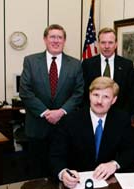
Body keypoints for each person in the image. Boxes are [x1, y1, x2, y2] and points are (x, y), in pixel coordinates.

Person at [19, 24, 84, 178]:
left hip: (65, 127)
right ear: (45, 39)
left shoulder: (75, 64)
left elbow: (78, 93)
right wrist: (46, 112)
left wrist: (61, 112)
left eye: (60, 37)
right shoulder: (31, 61)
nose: (56, 40)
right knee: (37, 174)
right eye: (52, 37)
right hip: (37, 127)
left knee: (63, 172)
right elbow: (25, 91)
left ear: (64, 40)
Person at [50, 77, 134, 189]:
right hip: (77, 185)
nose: (99, 101)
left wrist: (114, 164)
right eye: (96, 95)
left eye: (105, 97)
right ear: (89, 95)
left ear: (114, 100)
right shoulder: (70, 121)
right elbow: (55, 156)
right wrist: (63, 173)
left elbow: (130, 151)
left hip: (109, 186)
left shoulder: (122, 119)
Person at [81, 27, 134, 112]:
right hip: (93, 114)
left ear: (116, 44)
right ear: (98, 44)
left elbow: (130, 94)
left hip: (119, 115)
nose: (107, 46)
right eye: (103, 42)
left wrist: (124, 115)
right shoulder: (87, 64)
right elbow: (83, 93)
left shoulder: (127, 65)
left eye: (110, 42)